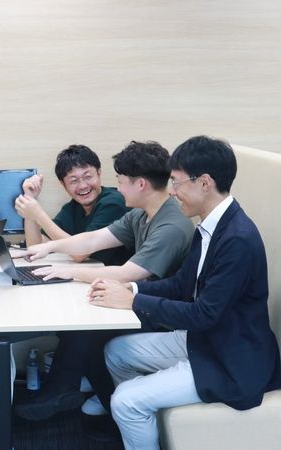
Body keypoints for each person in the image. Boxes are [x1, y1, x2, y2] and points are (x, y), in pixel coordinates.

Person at [89, 136, 281, 450]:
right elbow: (181, 285)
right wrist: (130, 288)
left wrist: (134, 301)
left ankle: (135, 411)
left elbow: (203, 314)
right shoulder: (209, 226)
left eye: (177, 183)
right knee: (117, 353)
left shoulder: (237, 239)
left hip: (231, 360)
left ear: (204, 183)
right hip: (207, 341)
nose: (172, 191)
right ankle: (142, 423)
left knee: (125, 400)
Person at [15, 141, 195, 424]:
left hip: (163, 312)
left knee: (85, 329)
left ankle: (85, 402)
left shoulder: (171, 225)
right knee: (81, 323)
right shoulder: (141, 213)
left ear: (141, 184)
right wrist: (47, 248)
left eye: (121, 181)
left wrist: (67, 271)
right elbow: (93, 239)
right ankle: (82, 397)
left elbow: (128, 273)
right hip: (139, 298)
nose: (118, 188)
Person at [14, 144, 130, 265]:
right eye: (74, 181)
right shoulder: (72, 208)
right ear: (63, 184)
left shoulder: (113, 203)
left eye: (88, 177)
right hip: (91, 272)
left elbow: (79, 254)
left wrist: (39, 215)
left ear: (99, 173)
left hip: (119, 275)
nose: (83, 186)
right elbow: (35, 247)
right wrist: (30, 200)